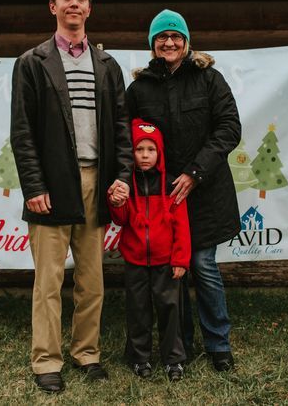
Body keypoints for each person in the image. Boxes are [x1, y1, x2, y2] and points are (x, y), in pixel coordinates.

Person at [10, 0, 133, 393]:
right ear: (53, 6)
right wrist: (34, 186)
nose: (74, 4)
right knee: (48, 282)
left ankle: (88, 354)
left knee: (91, 279)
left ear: (89, 6)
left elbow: (121, 129)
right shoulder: (32, 63)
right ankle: (46, 361)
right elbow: (22, 132)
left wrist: (121, 178)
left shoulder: (107, 65)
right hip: (53, 183)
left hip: (96, 182)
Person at [125, 9, 241, 372]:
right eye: (162, 37)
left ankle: (218, 344)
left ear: (186, 41)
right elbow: (125, 138)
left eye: (175, 36)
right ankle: (181, 345)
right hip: (160, 198)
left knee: (202, 265)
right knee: (172, 271)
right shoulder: (140, 88)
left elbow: (229, 128)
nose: (169, 42)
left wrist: (194, 172)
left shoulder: (209, 79)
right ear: (152, 44)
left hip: (205, 191)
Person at [108, 119, 191, 382]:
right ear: (131, 152)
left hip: (166, 261)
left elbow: (182, 226)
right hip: (135, 260)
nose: (145, 155)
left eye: (150, 150)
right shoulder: (126, 184)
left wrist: (180, 259)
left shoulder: (170, 185)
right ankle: (139, 357)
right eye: (139, 149)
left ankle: (174, 360)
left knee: (170, 309)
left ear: (159, 153)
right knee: (138, 310)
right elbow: (121, 220)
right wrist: (116, 202)